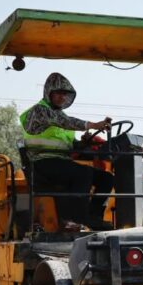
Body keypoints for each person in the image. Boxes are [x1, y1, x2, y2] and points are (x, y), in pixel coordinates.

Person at [20, 72, 114, 230]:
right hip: (42, 163)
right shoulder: (39, 111)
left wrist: (83, 143)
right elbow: (65, 122)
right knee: (83, 173)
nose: (62, 97)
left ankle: (95, 217)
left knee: (106, 178)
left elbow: (69, 145)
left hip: (61, 163)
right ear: (48, 93)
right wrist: (93, 125)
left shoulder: (60, 116)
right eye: (58, 93)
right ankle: (79, 217)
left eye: (65, 94)